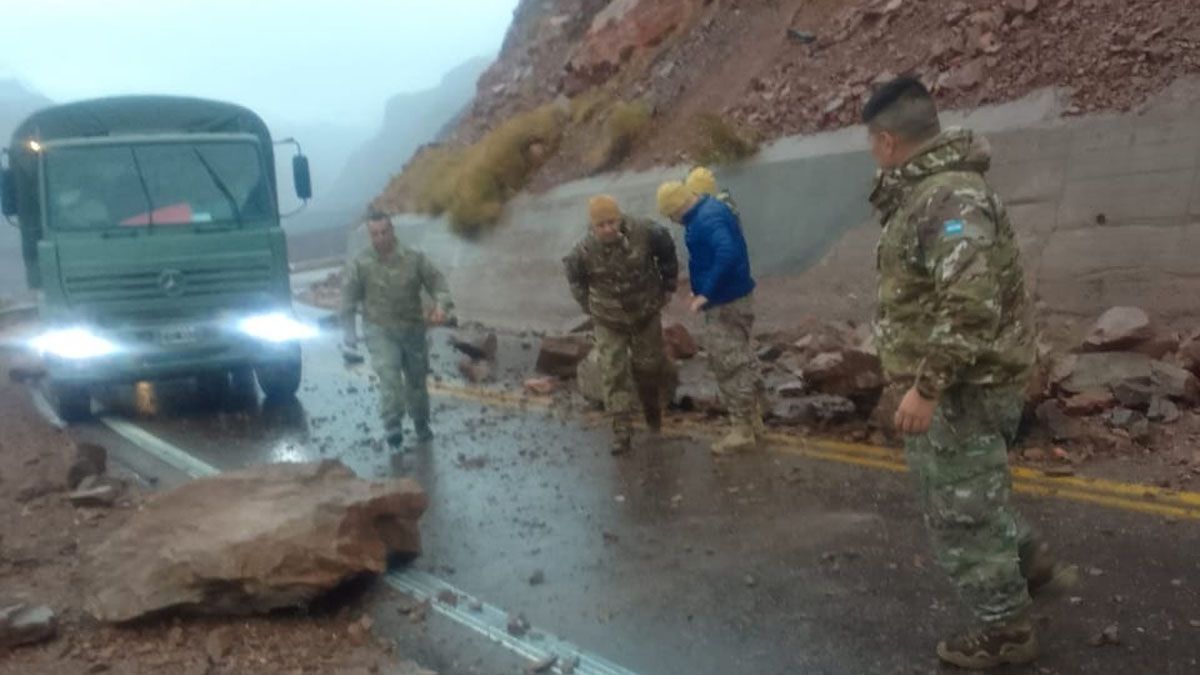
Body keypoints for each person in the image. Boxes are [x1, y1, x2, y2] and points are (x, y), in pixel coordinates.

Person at [863, 76, 1076, 669]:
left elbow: (970, 302)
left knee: (960, 515)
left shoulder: (944, 199)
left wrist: (926, 387)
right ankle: (1026, 562)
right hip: (970, 381)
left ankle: (1006, 632)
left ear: (885, 142)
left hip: (960, 389)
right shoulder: (936, 192)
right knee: (973, 494)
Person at [564, 195, 678, 455]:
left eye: (611, 222)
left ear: (620, 218)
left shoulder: (646, 231)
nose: (607, 229)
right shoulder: (582, 251)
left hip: (645, 312)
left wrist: (668, 286)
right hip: (608, 318)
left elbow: (667, 253)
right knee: (613, 372)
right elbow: (575, 279)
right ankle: (621, 431)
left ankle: (653, 418)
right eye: (600, 225)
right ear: (592, 227)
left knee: (649, 366)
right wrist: (589, 307)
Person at [656, 181, 763, 455]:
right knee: (740, 356)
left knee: (728, 363)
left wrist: (706, 292)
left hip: (725, 301)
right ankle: (753, 419)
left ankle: (742, 430)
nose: (673, 221)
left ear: (677, 208)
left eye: (670, 215)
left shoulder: (705, 220)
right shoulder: (710, 209)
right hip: (736, 296)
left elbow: (727, 253)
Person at [341, 211, 454, 448]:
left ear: (392, 231)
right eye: (375, 234)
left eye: (384, 232)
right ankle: (392, 425)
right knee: (389, 375)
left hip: (412, 329)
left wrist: (441, 306)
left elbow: (438, 284)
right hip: (379, 330)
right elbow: (348, 301)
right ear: (370, 235)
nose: (380, 238)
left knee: (416, 380)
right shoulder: (361, 264)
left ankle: (421, 422)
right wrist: (349, 335)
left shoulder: (414, 258)